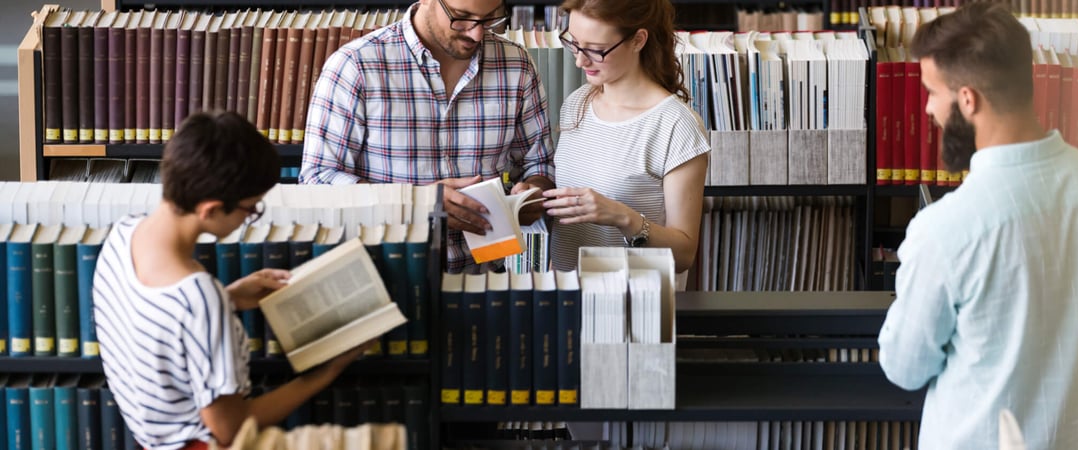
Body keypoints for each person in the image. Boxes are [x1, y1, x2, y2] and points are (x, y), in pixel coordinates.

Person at [877, 3, 1078, 448]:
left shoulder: (945, 229)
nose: (927, 109)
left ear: (967, 100)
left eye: (931, 92)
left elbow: (905, 367)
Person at [93, 111, 367, 450]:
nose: (251, 219)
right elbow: (229, 429)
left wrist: (229, 297)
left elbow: (153, 328)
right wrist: (325, 371)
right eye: (250, 209)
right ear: (209, 210)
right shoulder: (199, 300)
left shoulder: (123, 234)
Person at [299, 0, 555, 271]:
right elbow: (317, 182)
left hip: (488, 279)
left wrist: (534, 191)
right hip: (390, 276)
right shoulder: (356, 66)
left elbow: (538, 163)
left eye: (490, 18)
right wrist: (415, 203)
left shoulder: (517, 64)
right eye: (462, 17)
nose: (476, 34)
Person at [542, 0, 709, 273]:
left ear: (638, 40)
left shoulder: (677, 126)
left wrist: (623, 217)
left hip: (635, 303)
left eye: (595, 50)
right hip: (567, 298)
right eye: (573, 42)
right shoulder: (576, 103)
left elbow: (683, 255)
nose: (579, 60)